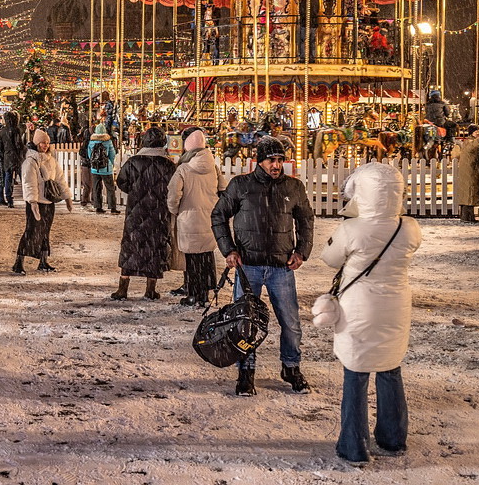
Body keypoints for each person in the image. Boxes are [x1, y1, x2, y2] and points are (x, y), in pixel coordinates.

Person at [320, 162, 421, 465]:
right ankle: (392, 438)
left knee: (356, 373)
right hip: (395, 307)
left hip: (359, 309)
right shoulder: (408, 227)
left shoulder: (352, 229)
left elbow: (329, 258)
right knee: (390, 369)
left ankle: (354, 444)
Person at [212, 135, 315, 396]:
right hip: (249, 267)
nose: (276, 165)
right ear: (260, 161)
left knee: (290, 323)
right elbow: (219, 216)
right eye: (272, 160)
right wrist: (229, 249)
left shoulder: (293, 187)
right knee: (245, 323)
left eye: (280, 160)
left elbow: (306, 220)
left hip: (281, 267)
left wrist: (302, 251)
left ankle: (291, 367)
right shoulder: (241, 186)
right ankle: (246, 372)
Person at [109, 128, 176, 301]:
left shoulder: (133, 162)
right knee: (155, 248)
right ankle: (150, 289)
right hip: (159, 212)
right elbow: (174, 187)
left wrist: (136, 191)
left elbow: (121, 181)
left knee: (131, 247)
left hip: (136, 211)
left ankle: (123, 288)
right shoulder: (168, 165)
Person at [166, 129, 224, 306]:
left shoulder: (184, 168)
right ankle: (206, 292)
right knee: (206, 256)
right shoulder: (213, 167)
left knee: (192, 259)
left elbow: (173, 194)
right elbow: (223, 188)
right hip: (208, 218)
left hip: (189, 219)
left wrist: (175, 210)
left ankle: (194, 293)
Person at [13, 129, 72, 274]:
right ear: (36, 143)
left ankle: (43, 261)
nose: (45, 145)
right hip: (36, 202)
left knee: (45, 232)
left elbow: (60, 179)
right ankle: (18, 262)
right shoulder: (30, 161)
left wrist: (67, 197)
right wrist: (32, 202)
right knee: (31, 231)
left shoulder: (51, 160)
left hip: (49, 201)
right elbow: (29, 183)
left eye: (47, 142)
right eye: (42, 142)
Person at [452, 125, 479, 222]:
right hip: (470, 170)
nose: (478, 133)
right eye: (476, 131)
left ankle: (468, 216)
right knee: (469, 194)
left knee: (470, 193)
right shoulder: (469, 142)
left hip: (471, 169)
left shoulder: (471, 141)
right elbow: (471, 147)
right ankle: (467, 217)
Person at [88, 123, 119, 214]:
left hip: (95, 169)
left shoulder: (91, 142)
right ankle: (112, 207)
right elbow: (112, 155)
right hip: (106, 169)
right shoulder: (108, 142)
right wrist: (110, 164)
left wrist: (94, 163)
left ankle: (98, 207)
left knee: (96, 187)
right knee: (110, 188)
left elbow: (90, 155)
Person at [0, 111, 24, 208]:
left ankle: (9, 198)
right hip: (16, 155)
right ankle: (27, 195)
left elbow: (0, 146)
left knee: (8, 177)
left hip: (7, 156)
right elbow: (18, 143)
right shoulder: (16, 129)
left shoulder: (3, 131)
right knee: (22, 177)